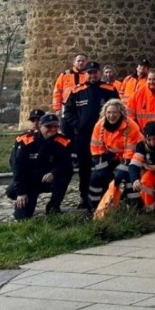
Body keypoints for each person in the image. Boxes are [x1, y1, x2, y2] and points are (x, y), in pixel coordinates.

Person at [61, 61, 119, 207]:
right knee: (84, 168)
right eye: (90, 73)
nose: (93, 75)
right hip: (83, 136)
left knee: (105, 166)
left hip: (105, 137)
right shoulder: (76, 91)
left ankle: (106, 195)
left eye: (95, 72)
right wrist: (77, 125)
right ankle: (84, 197)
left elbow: (119, 110)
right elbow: (68, 112)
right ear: (85, 74)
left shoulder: (110, 90)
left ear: (99, 73)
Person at [8, 114, 73, 219]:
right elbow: (18, 167)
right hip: (30, 179)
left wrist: (54, 173)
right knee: (21, 216)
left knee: (64, 175)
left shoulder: (63, 141)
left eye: (55, 126)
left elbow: (66, 164)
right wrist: (21, 192)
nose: (53, 129)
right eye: (49, 126)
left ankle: (53, 206)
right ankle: (25, 200)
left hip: (48, 178)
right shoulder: (25, 140)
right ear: (40, 127)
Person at [87, 99, 143, 212]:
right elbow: (96, 149)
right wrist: (103, 169)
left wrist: (120, 173)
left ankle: (135, 207)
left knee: (127, 177)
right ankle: (93, 208)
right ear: (105, 113)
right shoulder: (99, 125)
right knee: (95, 178)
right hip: (111, 156)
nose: (111, 115)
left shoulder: (131, 126)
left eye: (114, 113)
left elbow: (130, 153)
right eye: (109, 112)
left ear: (121, 113)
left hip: (132, 157)